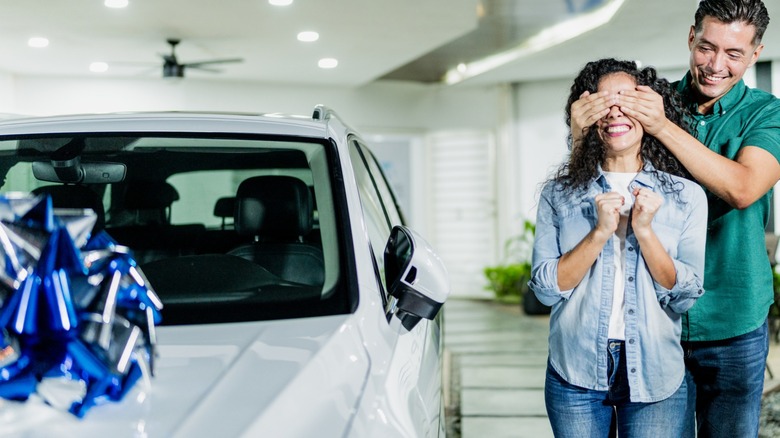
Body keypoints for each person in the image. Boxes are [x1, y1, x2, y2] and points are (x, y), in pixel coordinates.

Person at [571, 1, 780, 435]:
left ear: (756, 54)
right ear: (691, 37)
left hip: (733, 318)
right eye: (707, 47)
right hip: (651, 318)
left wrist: (663, 127)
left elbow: (743, 188)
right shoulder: (653, 100)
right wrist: (578, 134)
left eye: (734, 54)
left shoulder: (766, 112)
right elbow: (596, 179)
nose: (716, 65)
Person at [529, 58, 708, 437]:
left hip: (656, 371)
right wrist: (599, 233)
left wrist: (644, 232)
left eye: (626, 100)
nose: (615, 112)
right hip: (574, 370)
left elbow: (685, 296)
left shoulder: (685, 196)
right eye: (603, 103)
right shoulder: (559, 194)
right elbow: (545, 290)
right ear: (586, 115)